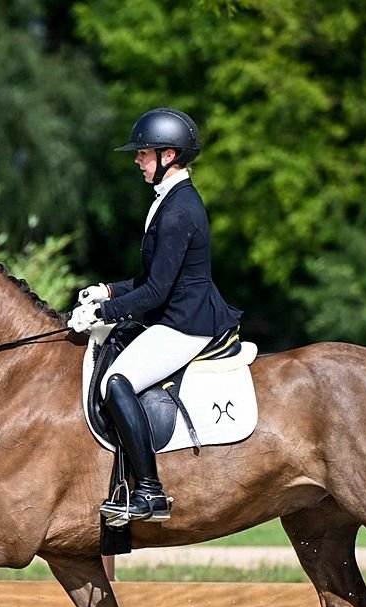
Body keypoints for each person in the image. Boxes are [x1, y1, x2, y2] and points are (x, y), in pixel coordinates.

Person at [68, 107, 242, 522]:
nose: (137, 160)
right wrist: (107, 289)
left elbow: (157, 291)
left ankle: (150, 491)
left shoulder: (180, 209)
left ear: (169, 155)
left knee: (116, 381)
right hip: (177, 312)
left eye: (143, 153)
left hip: (186, 323)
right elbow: (152, 276)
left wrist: (102, 312)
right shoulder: (171, 200)